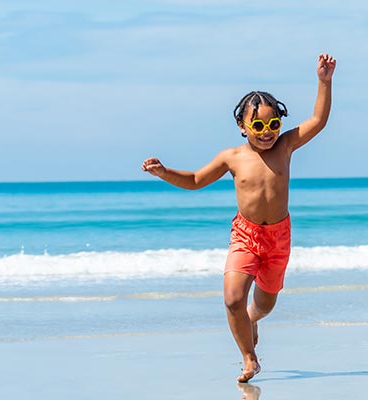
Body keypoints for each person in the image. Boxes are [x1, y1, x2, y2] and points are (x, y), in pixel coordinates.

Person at [141, 54, 336, 382]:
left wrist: (324, 81)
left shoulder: (285, 146)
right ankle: (249, 358)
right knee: (232, 298)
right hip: (245, 235)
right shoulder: (232, 157)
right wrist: (164, 172)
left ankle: (253, 319)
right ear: (242, 126)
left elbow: (318, 119)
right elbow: (193, 181)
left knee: (265, 304)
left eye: (273, 124)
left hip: (278, 237)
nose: (266, 132)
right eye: (257, 125)